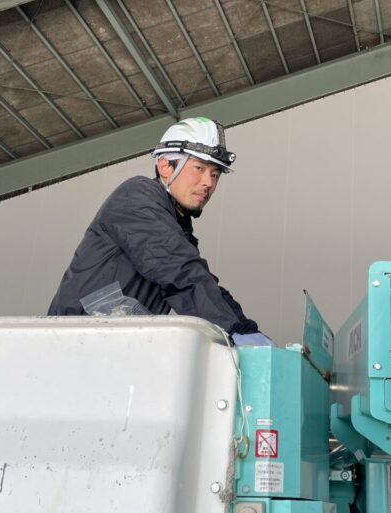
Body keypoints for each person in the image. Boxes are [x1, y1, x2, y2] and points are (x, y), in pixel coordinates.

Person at [47, 117, 273, 347]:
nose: (208, 182)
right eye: (199, 168)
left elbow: (200, 281)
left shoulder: (176, 227)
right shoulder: (136, 197)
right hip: (69, 345)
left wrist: (245, 328)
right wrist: (231, 329)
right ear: (165, 167)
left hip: (112, 347)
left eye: (215, 174)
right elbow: (178, 271)